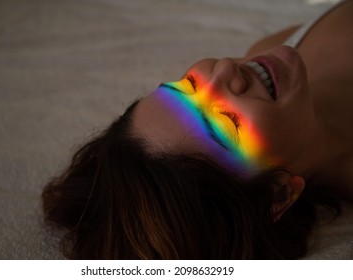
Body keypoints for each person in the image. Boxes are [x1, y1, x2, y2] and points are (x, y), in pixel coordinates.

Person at [42, 0, 352, 259]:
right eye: (228, 124)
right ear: (280, 194)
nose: (226, 69)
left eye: (188, 86)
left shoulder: (267, 50)